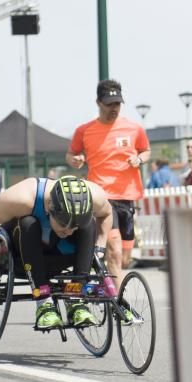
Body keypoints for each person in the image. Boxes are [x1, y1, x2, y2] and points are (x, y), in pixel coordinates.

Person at [0, 175, 114, 329]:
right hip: (24, 256)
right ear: (50, 209)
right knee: (28, 222)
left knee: (88, 225)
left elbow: (106, 213)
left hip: (61, 254)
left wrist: (99, 250)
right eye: (64, 225)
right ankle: (43, 303)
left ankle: (76, 297)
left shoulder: (94, 195)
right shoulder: (24, 197)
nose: (69, 231)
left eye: (73, 227)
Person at [67, 79, 151, 278]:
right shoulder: (84, 131)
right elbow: (70, 154)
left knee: (124, 257)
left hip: (127, 197)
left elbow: (146, 151)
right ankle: (116, 303)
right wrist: (76, 160)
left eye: (118, 104)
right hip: (101, 195)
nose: (114, 108)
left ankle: (105, 280)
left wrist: (139, 159)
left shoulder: (134, 128)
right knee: (114, 247)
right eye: (109, 104)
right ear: (98, 103)